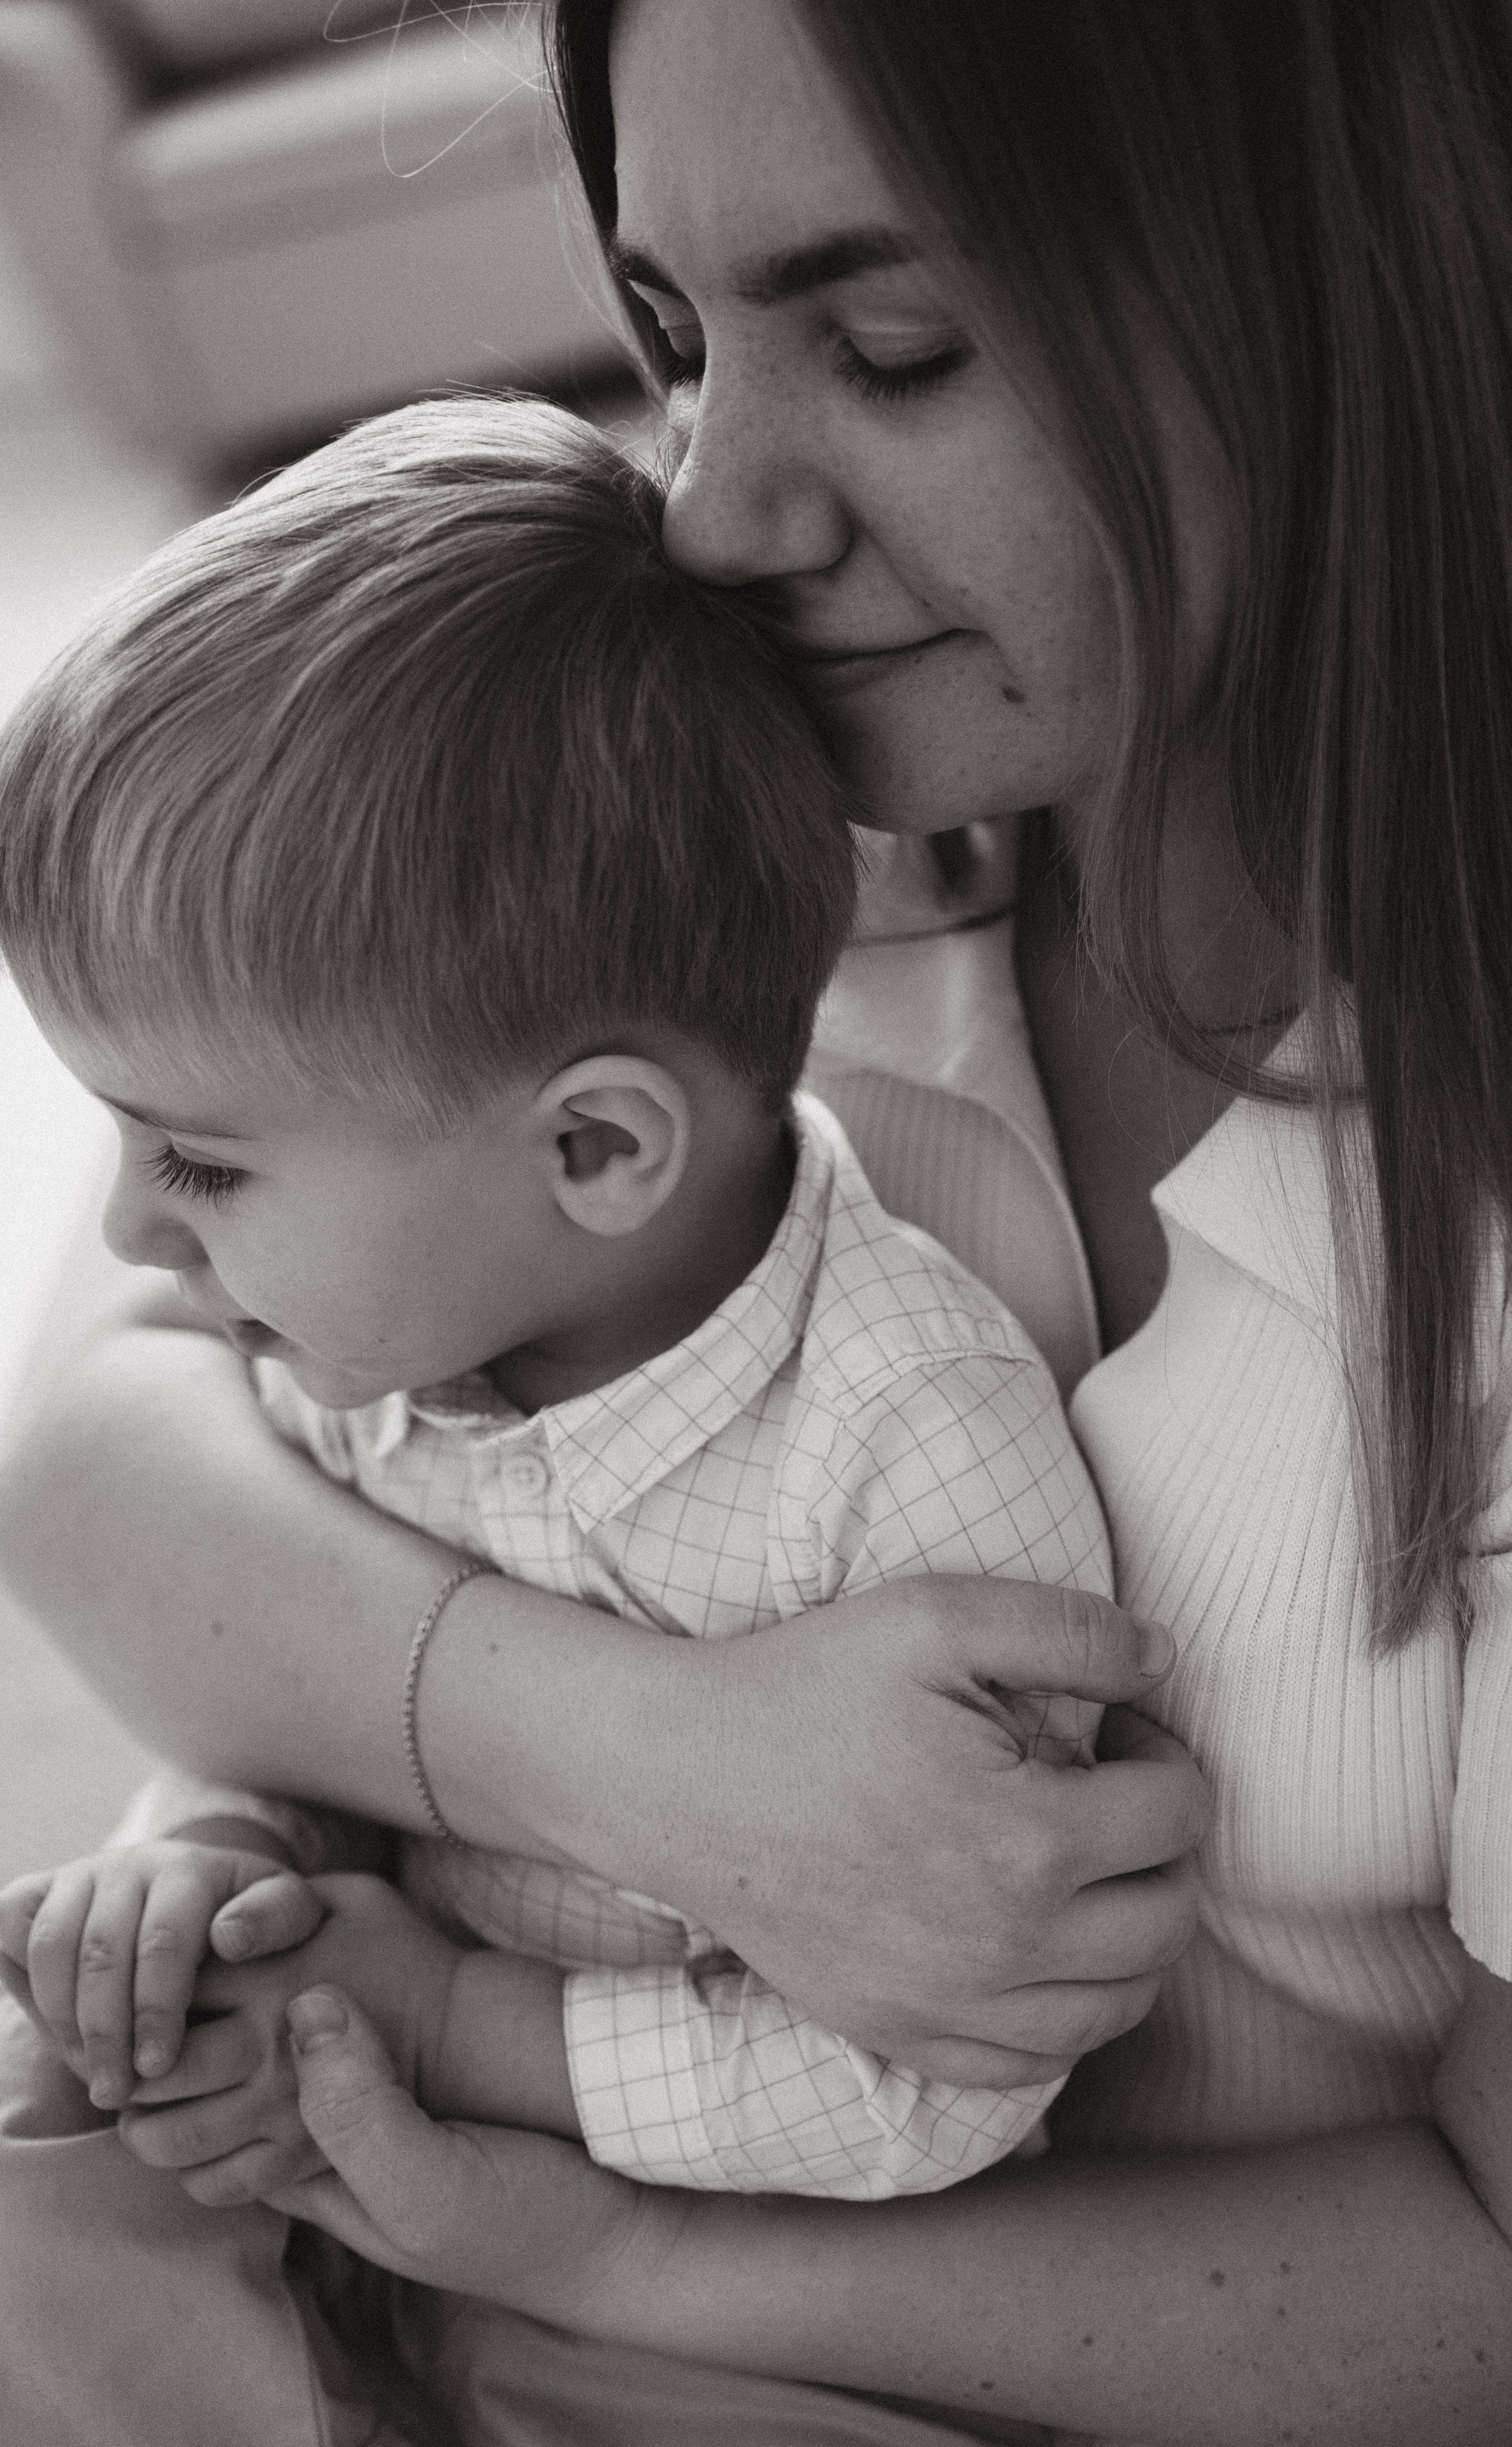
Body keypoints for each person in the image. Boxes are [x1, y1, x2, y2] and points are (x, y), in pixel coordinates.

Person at [7, 0, 1512, 2441]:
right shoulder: (706, 813)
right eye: (670, 335)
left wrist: (597, 2236)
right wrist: (657, 1769)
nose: (712, 505)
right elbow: (95, 1436)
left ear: (1360, 299)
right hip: (380, 2195)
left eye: (891, 348)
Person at [0, 390, 1111, 2235]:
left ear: (596, 1146)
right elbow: (315, 1710)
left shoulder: (908, 1455)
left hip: (731, 2314)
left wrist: (455, 2025)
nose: (129, 1237)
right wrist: (212, 1858)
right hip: (354, 2188)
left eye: (200, 1164)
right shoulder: (383, 1343)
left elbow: (942, 2082)